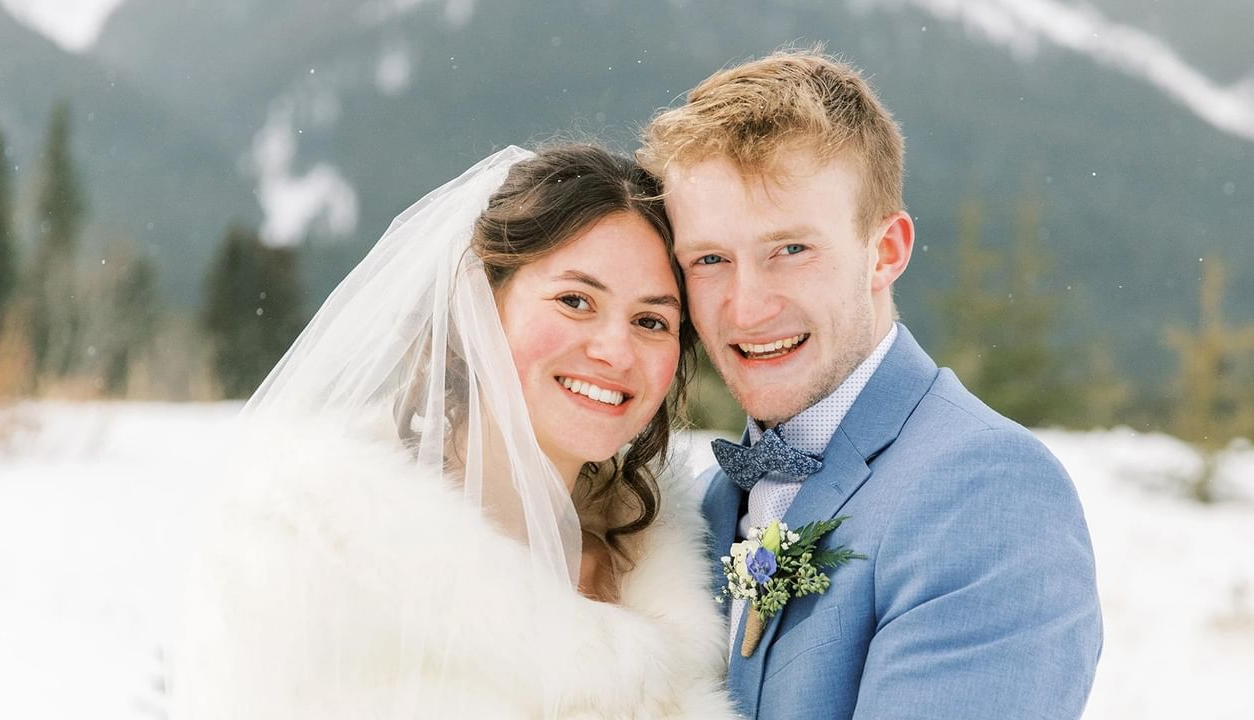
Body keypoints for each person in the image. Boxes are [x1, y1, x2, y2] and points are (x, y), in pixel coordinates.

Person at [172, 144, 739, 719]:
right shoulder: (319, 564)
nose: (616, 351)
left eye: (651, 321)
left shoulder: (675, 571)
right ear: (480, 306)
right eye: (575, 300)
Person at [638, 49, 1103, 719]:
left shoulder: (986, 491)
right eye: (710, 259)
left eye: (790, 249)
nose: (746, 307)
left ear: (884, 252)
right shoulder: (705, 506)